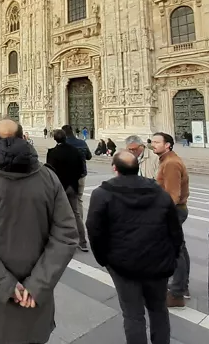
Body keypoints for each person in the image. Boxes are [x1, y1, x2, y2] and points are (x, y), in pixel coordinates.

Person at [0, 119, 79, 344]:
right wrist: (37, 284)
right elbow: (67, 234)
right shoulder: (48, 177)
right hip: (33, 302)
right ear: (24, 138)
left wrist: (4, 285)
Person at [86, 150, 183, 344]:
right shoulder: (159, 193)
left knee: (133, 315)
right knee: (158, 310)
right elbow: (175, 231)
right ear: (137, 167)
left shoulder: (102, 194)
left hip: (123, 266)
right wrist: (171, 257)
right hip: (157, 263)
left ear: (114, 168)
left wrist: (104, 259)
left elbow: (94, 230)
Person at [151, 132, 190, 307]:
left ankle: (176, 293)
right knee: (180, 247)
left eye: (157, 142)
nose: (153, 144)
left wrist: (161, 214)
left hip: (173, 211)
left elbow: (172, 195)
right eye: (152, 142)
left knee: (176, 251)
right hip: (176, 210)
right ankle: (182, 287)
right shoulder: (168, 160)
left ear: (168, 145)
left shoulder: (171, 163)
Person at [46, 129, 86, 230]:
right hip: (72, 186)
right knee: (75, 213)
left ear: (54, 139)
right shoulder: (75, 150)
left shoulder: (52, 153)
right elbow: (81, 169)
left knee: (58, 213)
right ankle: (82, 239)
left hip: (59, 187)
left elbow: (50, 172)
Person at [62, 124, 92, 253]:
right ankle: (81, 235)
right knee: (78, 203)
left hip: (66, 178)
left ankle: (69, 237)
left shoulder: (63, 146)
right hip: (81, 176)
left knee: (65, 205)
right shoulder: (81, 143)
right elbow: (89, 156)